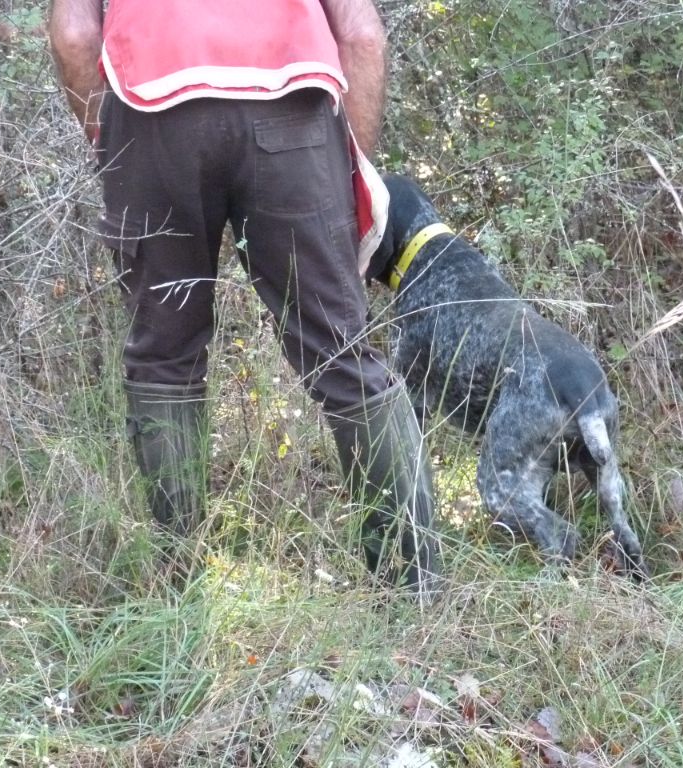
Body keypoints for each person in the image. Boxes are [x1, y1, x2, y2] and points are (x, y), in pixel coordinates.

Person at [48, 0, 440, 595]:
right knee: (344, 354)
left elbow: (76, 34)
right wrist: (347, 171)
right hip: (294, 107)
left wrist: (115, 149)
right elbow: (360, 35)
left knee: (164, 359)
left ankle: (177, 593)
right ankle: (416, 589)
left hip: (151, 107)